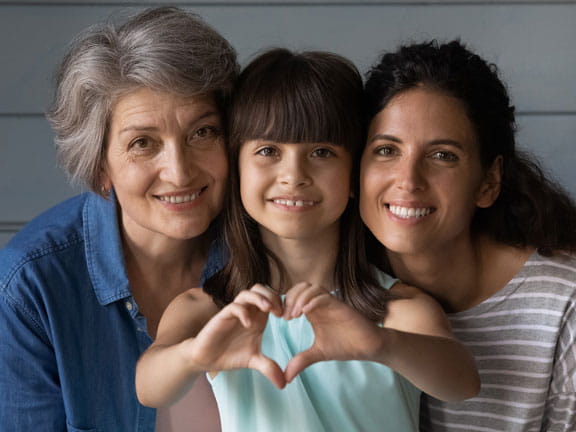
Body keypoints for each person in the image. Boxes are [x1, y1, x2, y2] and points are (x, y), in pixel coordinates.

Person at [135, 48, 480, 432]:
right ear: (237, 171)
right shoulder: (207, 310)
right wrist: (194, 356)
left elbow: (462, 382)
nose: (293, 175)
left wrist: (380, 345)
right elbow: (150, 387)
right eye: (268, 151)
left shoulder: (397, 309)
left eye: (321, 152)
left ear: (354, 176)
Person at [0, 7, 238, 431]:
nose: (180, 172)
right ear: (100, 169)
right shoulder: (30, 286)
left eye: (202, 133)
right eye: (143, 143)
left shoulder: (273, 250)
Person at [360, 39, 576, 432]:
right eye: (387, 150)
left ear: (488, 182)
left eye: (442, 155)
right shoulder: (335, 286)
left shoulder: (565, 304)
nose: (408, 181)